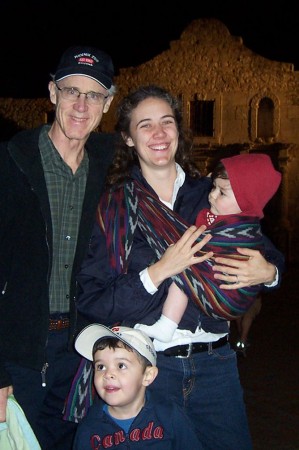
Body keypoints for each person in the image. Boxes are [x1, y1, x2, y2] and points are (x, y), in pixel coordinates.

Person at [70, 85, 284, 450]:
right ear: (128, 138)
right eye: (145, 125)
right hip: (151, 371)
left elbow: (264, 250)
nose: (159, 134)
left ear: (178, 131)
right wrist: (158, 271)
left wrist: (269, 273)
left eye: (167, 122)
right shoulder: (113, 206)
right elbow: (92, 297)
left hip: (216, 364)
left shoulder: (213, 193)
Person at [0, 45, 117, 450]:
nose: (82, 105)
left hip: (78, 351)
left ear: (107, 104)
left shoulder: (109, 170)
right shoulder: (11, 165)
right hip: (17, 351)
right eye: (72, 91)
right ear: (52, 94)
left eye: (94, 95)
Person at [135, 153, 281, 342]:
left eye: (221, 192)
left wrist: (269, 274)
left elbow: (270, 256)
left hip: (217, 341)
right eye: (214, 188)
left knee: (182, 265)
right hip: (159, 353)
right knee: (180, 263)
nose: (211, 195)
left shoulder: (239, 224)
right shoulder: (126, 194)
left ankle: (167, 324)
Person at [72, 324, 203, 449]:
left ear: (148, 375)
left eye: (121, 365)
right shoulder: (89, 428)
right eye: (101, 366)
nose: (108, 374)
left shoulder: (170, 416)